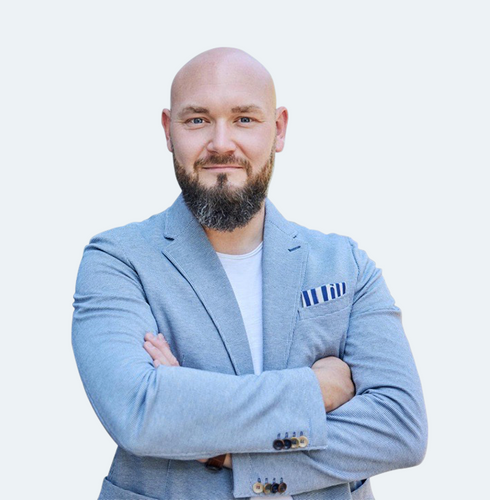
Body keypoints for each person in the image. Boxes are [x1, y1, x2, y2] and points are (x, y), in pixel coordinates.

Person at [72, 47, 427, 500]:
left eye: (244, 119)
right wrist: (316, 390)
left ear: (278, 129)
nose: (221, 143)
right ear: (168, 130)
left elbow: (399, 428)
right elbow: (140, 413)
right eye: (197, 120)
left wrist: (220, 446)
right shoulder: (117, 260)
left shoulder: (347, 265)